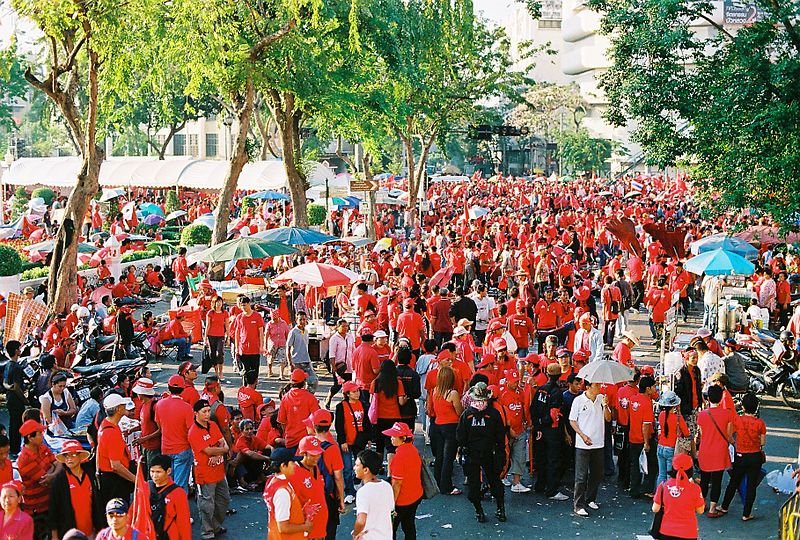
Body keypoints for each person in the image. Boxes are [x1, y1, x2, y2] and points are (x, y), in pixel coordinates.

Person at [456, 382, 506, 523]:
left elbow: (460, 436)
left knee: (476, 483)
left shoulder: (467, 415)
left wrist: (462, 450)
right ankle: (499, 509)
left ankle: (480, 511)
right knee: (494, 480)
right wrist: (501, 452)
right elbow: (500, 435)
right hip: (489, 452)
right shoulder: (493, 413)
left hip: (475, 453)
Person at [569, 379, 612, 517]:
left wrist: (606, 406)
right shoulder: (578, 401)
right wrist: (582, 435)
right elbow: (572, 420)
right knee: (581, 476)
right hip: (583, 444)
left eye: (600, 384)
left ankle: (591, 499)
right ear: (588, 387)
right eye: (596, 385)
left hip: (598, 443)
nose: (599, 387)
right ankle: (578, 505)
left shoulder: (601, 399)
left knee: (597, 474)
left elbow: (608, 418)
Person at [188, 399, 231, 540]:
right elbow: (208, 450)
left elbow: (222, 442)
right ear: (196, 414)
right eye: (204, 412)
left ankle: (215, 526)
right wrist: (222, 450)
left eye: (208, 411)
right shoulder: (193, 431)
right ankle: (207, 532)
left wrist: (218, 452)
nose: (207, 414)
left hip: (219, 471)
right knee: (207, 504)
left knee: (224, 500)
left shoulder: (212, 425)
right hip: (204, 474)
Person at [49, 439, 104, 539]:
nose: (69, 459)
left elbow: (97, 504)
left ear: (80, 457)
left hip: (91, 532)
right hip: (70, 535)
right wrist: (54, 536)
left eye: (73, 455)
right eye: (66, 455)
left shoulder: (90, 476)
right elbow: (53, 509)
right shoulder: (59, 480)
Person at [697, 385, 736, 517]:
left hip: (705, 450)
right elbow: (729, 435)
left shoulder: (701, 415)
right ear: (721, 398)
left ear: (708, 398)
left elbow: (702, 434)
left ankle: (701, 504)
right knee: (717, 481)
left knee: (704, 479)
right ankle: (713, 509)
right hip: (720, 451)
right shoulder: (728, 414)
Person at [532, 363, 569, 501]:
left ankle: (540, 485)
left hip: (540, 430)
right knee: (553, 460)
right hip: (552, 431)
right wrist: (545, 423)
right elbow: (554, 413)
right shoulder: (557, 392)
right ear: (559, 376)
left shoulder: (541, 390)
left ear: (547, 374)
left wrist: (538, 426)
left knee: (541, 458)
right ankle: (552, 490)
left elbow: (533, 409)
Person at [17, 420, 59, 538]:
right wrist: (54, 471)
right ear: (30, 438)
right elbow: (45, 481)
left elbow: (58, 463)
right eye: (40, 433)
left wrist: (51, 473)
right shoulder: (24, 459)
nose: (42, 435)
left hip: (48, 503)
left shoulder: (43, 447)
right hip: (36, 510)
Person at [154, 375, 194, 494]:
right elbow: (191, 431)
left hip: (166, 448)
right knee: (180, 486)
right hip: (182, 449)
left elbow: (159, 426)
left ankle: (168, 509)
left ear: (168, 387)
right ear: (183, 389)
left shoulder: (160, 404)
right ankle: (178, 510)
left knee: (167, 483)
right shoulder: (187, 408)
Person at [382, 422, 423, 538]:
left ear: (403, 438)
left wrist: (391, 505)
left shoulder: (399, 456)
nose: (391, 438)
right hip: (415, 496)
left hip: (402, 500)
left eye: (394, 436)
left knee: (391, 530)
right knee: (409, 526)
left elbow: (397, 484)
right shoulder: (413, 450)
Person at [262, 448, 313, 539]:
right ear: (283, 466)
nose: (295, 465)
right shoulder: (282, 492)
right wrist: (306, 527)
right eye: (292, 462)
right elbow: (283, 527)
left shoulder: (272, 481)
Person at [652, 454, 705, 540]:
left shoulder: (663, 486)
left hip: (666, 531)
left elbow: (655, 509)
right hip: (688, 533)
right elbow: (700, 510)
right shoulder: (695, 488)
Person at [96, 394, 136, 508]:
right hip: (115, 481)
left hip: (110, 478)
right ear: (118, 409)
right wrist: (136, 480)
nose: (125, 407)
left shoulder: (106, 424)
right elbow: (116, 466)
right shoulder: (111, 432)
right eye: (123, 405)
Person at [429, 365, 463, 496]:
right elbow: (459, 411)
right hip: (451, 427)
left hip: (438, 425)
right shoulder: (452, 393)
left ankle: (438, 482)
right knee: (448, 458)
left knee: (439, 457)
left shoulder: (435, 391)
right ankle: (446, 486)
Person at [334, 381, 370, 504]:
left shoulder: (363, 404)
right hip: (347, 442)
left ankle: (358, 485)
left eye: (358, 391)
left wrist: (369, 438)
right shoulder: (341, 407)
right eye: (354, 391)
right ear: (347, 394)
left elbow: (366, 422)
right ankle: (349, 491)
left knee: (361, 465)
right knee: (347, 467)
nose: (357, 393)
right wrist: (342, 441)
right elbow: (339, 425)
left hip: (359, 441)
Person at [498, 369, 531, 493]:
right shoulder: (501, 394)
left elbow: (523, 407)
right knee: (504, 457)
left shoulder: (520, 392)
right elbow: (500, 413)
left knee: (520, 456)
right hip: (506, 432)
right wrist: (508, 429)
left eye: (517, 381)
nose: (516, 384)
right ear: (506, 381)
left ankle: (516, 482)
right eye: (513, 382)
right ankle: (502, 476)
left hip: (519, 429)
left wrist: (526, 421)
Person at [370, 361, 408, 465]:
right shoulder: (397, 382)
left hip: (379, 417)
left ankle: (378, 467)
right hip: (394, 417)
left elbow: (371, 401)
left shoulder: (375, 382)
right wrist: (405, 399)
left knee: (379, 445)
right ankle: (390, 472)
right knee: (391, 446)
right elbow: (401, 402)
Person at [352, 449, 394, 540]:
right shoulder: (387, 486)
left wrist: (355, 534)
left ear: (366, 470)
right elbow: (392, 513)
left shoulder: (363, 492)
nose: (354, 468)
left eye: (357, 465)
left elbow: (361, 521)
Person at [148, 454, 192, 540]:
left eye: (158, 472)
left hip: (168, 536)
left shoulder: (178, 493)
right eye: (152, 471)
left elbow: (183, 523)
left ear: (168, 471)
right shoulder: (145, 488)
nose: (154, 475)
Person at [277, 369, 320, 454]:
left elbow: (282, 421)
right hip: (307, 441)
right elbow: (317, 420)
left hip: (291, 440)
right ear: (304, 382)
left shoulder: (285, 398)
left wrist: (287, 433)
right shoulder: (310, 398)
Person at [628, 375, 657, 499]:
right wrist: (646, 443)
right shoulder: (646, 402)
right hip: (643, 439)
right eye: (654, 387)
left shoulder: (633, 399)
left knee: (635, 465)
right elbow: (646, 426)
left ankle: (634, 489)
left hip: (632, 437)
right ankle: (647, 489)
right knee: (652, 464)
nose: (655, 389)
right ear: (648, 388)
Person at [655, 391, 689, 487]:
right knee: (670, 476)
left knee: (661, 475)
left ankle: (659, 495)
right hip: (672, 448)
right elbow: (686, 433)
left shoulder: (661, 415)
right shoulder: (678, 418)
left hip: (661, 446)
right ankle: (668, 498)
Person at [130, 378, 161, 478]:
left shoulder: (154, 406)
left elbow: (160, 430)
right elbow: (144, 424)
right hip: (145, 446)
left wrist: (143, 439)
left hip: (153, 447)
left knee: (152, 475)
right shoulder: (144, 405)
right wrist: (132, 430)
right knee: (146, 472)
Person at [232, 296, 265, 384]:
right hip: (243, 349)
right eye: (241, 305)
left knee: (254, 372)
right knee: (245, 371)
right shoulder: (239, 317)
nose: (243, 307)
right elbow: (237, 332)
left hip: (254, 349)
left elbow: (261, 332)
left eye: (245, 305)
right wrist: (236, 347)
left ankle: (253, 389)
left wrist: (262, 346)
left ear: (249, 304)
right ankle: (245, 388)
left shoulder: (257, 316)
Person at [3, 340, 26, 455]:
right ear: (16, 351)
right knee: (17, 425)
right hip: (16, 401)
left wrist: (9, 387)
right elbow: (17, 387)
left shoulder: (8, 365)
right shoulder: (17, 367)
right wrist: (25, 401)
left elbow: (5, 383)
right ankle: (16, 449)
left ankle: (12, 447)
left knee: (13, 424)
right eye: (19, 348)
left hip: (9, 399)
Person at [326, 319, 354, 409]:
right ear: (337, 327)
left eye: (346, 326)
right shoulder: (334, 338)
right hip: (339, 366)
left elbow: (353, 349)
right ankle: (329, 398)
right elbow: (332, 354)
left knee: (348, 385)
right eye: (343, 326)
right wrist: (333, 367)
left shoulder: (350, 337)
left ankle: (346, 403)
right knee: (337, 386)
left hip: (349, 366)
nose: (345, 328)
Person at [287, 311, 318, 392]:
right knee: (296, 383)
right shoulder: (293, 332)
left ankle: (306, 397)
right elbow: (288, 348)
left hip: (306, 360)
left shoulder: (306, 331)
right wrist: (290, 363)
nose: (302, 322)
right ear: (296, 320)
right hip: (296, 362)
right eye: (300, 319)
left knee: (313, 381)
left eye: (304, 319)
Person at [204, 296, 229, 382]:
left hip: (220, 335)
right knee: (213, 354)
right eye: (217, 302)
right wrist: (205, 338)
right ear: (214, 303)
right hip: (211, 335)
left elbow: (227, 326)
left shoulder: (225, 313)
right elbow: (208, 325)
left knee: (220, 353)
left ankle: (221, 372)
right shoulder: (210, 313)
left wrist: (228, 337)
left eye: (220, 302)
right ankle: (216, 372)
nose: (219, 304)